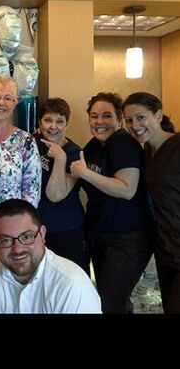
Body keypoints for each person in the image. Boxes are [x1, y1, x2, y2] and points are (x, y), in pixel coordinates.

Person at [70, 92, 154, 314]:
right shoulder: (95, 146)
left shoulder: (122, 142)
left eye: (107, 115)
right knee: (114, 301)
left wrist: (85, 173)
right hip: (101, 235)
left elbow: (127, 189)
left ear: (119, 120)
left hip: (127, 239)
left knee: (108, 303)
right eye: (94, 116)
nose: (99, 122)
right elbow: (77, 163)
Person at [0, 198, 102, 313]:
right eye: (6, 240)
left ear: (42, 234)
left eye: (27, 237)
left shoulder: (73, 286)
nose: (18, 249)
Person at [123, 92, 180, 313]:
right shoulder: (146, 150)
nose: (135, 125)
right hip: (165, 249)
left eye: (140, 117)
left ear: (158, 115)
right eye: (129, 120)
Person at [32, 97, 90, 275]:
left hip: (67, 229)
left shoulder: (75, 154)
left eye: (59, 121)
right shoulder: (32, 142)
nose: (53, 126)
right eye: (48, 120)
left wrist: (60, 158)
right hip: (37, 230)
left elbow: (55, 195)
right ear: (40, 122)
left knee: (72, 279)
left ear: (66, 124)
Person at [0, 75, 41, 208]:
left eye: (8, 98)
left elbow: (32, 192)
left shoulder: (25, 142)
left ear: (15, 103)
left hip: (10, 223)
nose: (1, 102)